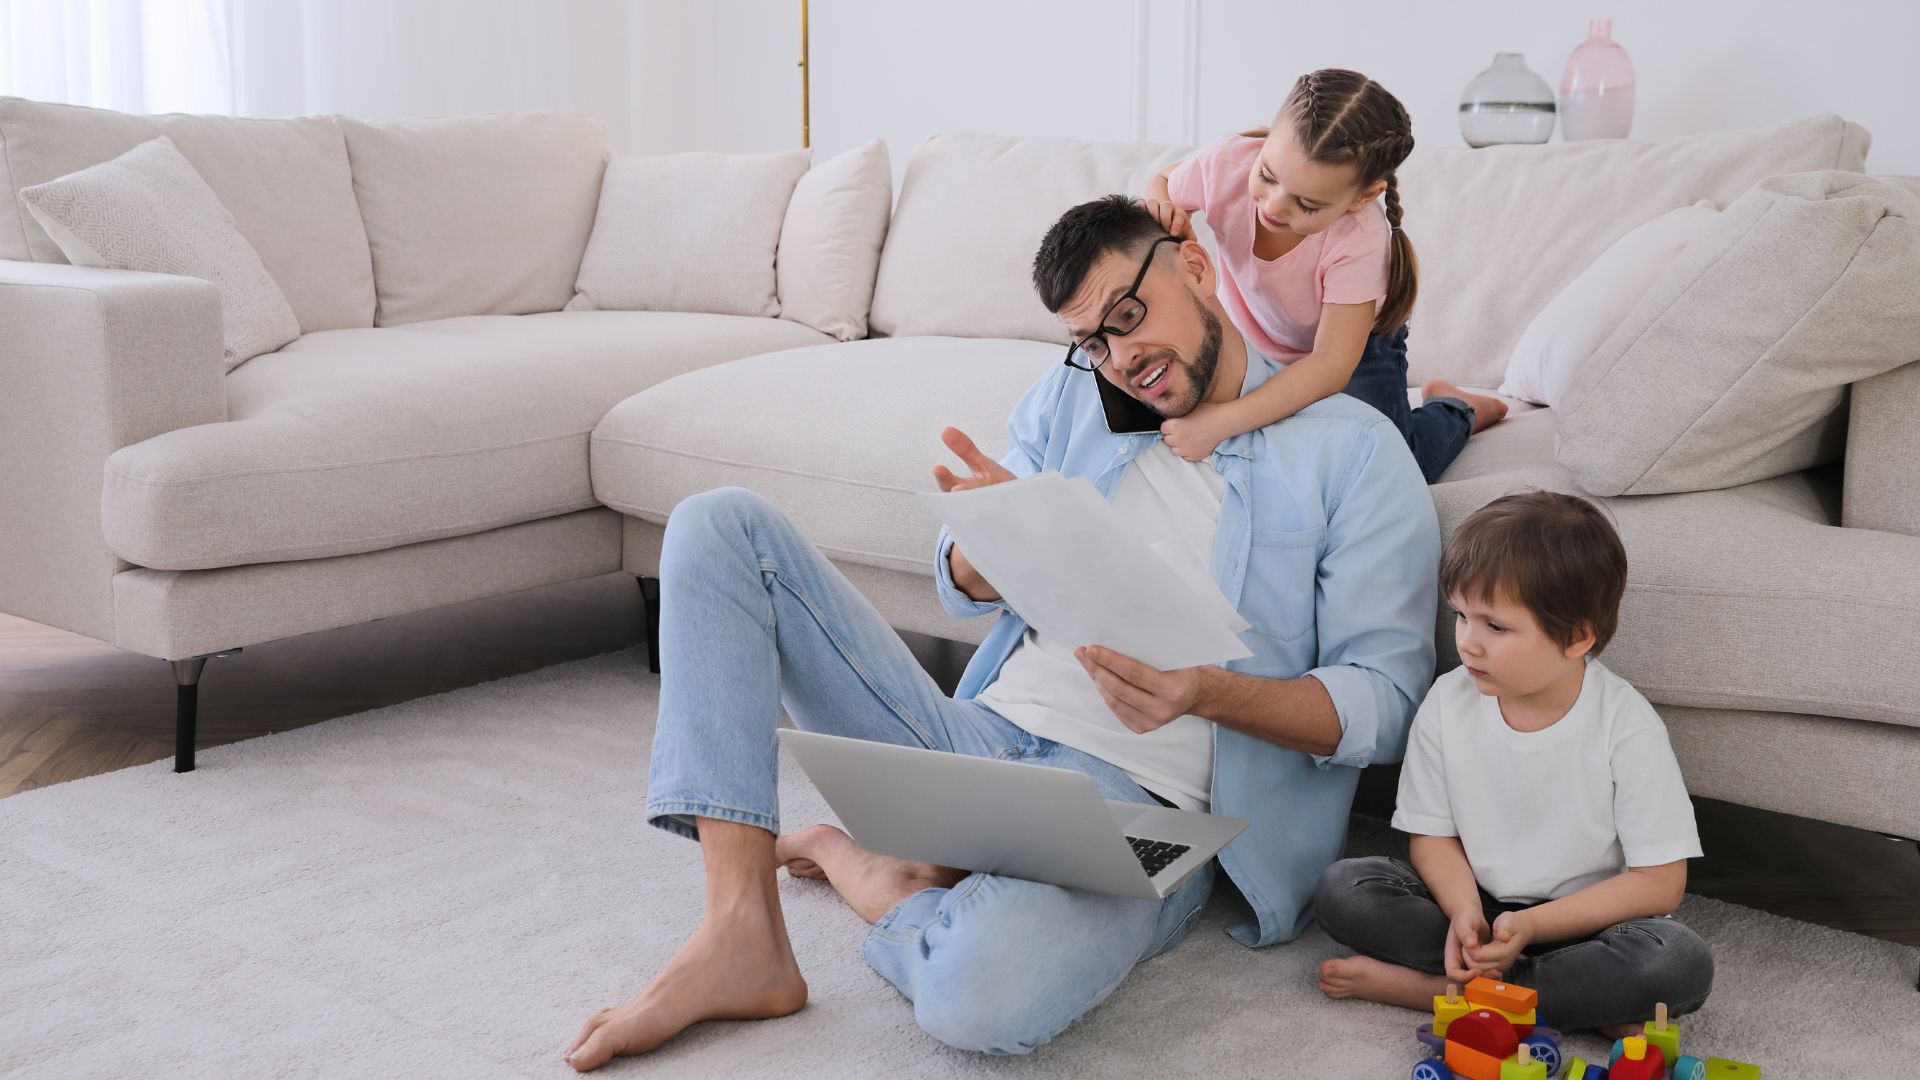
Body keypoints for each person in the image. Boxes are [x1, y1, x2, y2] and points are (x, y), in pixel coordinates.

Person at [562, 195, 1439, 1070]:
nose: (1121, 358)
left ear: (1198, 268)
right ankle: (739, 930)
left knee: (978, 998)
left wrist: (1207, 691)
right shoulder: (1076, 396)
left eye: (1130, 317)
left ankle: (884, 872)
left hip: (1143, 811)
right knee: (719, 527)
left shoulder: (1350, 451)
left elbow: (1387, 702)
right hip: (976, 739)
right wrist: (981, 549)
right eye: (1093, 341)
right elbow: (963, 578)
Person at [1312, 491, 1714, 1034]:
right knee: (1345, 886)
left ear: (1576, 638)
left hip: (1587, 923)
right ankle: (1557, 1000)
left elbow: (1660, 884)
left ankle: (1437, 993)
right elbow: (1431, 837)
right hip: (1477, 912)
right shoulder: (1447, 702)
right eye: (1461, 616)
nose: (1468, 645)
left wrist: (1531, 925)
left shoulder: (1627, 724)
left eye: (1495, 627)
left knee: (1675, 960)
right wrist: (1461, 913)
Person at [1140, 68, 1507, 482]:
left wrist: (1223, 421)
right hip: (1258, 336)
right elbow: (1165, 180)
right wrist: (1163, 208)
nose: (1274, 207)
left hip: (1355, 351)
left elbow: (1331, 365)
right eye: (1267, 175)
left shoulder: (1360, 239)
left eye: (1308, 204)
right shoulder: (1227, 162)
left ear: (1363, 197)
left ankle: (1456, 408)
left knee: (1397, 468)